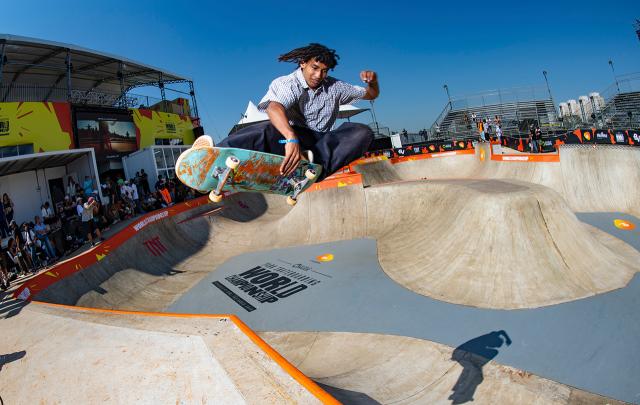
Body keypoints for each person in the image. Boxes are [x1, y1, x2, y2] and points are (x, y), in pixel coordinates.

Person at [218, 43, 379, 179]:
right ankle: (217, 155)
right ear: (303, 63)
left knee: (363, 132)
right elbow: (274, 107)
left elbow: (371, 94)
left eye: (324, 71)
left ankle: (312, 169)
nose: (318, 75)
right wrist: (291, 138)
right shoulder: (288, 83)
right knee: (267, 129)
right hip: (288, 139)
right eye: (314, 68)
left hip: (322, 145)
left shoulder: (335, 87)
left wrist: (373, 82)